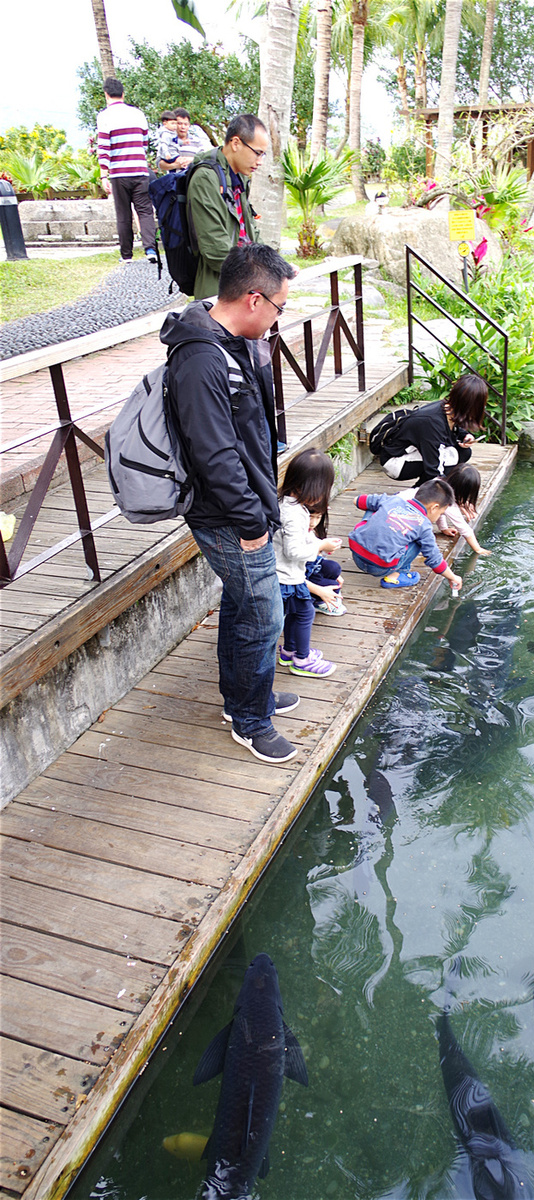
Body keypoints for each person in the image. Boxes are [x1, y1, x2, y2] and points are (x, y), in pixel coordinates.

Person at [161, 241, 298, 764]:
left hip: (245, 506)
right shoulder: (200, 358)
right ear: (254, 299)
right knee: (263, 613)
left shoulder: (230, 341)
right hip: (227, 515)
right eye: (280, 307)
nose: (280, 318)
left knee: (245, 606)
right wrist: (251, 522)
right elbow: (214, 454)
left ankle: (246, 697)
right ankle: (250, 721)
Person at [274, 448, 340, 678]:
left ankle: (290, 651)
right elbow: (294, 551)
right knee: (304, 614)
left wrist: (319, 542)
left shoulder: (287, 503)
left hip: (285, 575)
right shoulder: (294, 514)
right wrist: (320, 547)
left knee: (295, 614)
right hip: (286, 577)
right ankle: (301, 659)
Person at [187, 113, 267, 300]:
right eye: (257, 153)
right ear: (236, 143)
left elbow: (250, 234)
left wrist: (274, 265)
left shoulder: (239, 178)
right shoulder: (206, 178)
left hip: (246, 285)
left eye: (263, 154)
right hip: (220, 291)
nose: (260, 161)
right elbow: (215, 248)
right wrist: (261, 272)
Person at [349, 477, 463, 592]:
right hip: (380, 567)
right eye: (441, 513)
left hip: (356, 553)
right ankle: (397, 575)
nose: (439, 516)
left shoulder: (393, 500)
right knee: (419, 541)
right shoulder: (424, 525)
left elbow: (357, 500)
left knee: (373, 506)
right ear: (434, 508)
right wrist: (453, 577)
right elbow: (435, 559)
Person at [378, 375, 488, 484]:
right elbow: (434, 470)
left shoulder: (446, 408)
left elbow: (453, 427)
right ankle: (419, 494)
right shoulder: (432, 423)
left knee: (463, 452)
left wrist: (464, 436)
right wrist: (446, 492)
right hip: (396, 461)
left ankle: (422, 490)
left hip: (413, 452)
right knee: (451, 457)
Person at [96, 77, 157, 264]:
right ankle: (150, 249)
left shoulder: (104, 116)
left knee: (123, 213)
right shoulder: (138, 114)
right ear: (123, 94)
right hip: (139, 169)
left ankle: (127, 255)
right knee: (145, 211)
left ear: (106, 95)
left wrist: (103, 174)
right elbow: (145, 142)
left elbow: (104, 147)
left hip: (118, 173)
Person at [400, 463, 491, 556]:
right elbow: (465, 529)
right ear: (465, 491)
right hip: (402, 515)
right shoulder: (450, 503)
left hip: (398, 500)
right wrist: (478, 549)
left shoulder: (438, 482)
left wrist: (443, 528)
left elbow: (440, 511)